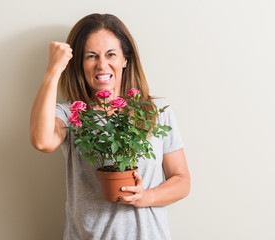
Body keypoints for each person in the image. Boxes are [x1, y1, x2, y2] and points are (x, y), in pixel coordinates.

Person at [30, 13, 190, 240]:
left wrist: (147, 197)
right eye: (91, 56)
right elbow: (42, 141)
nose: (102, 64)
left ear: (125, 59)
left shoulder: (155, 111)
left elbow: (181, 180)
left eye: (111, 54)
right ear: (80, 63)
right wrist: (53, 70)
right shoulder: (72, 115)